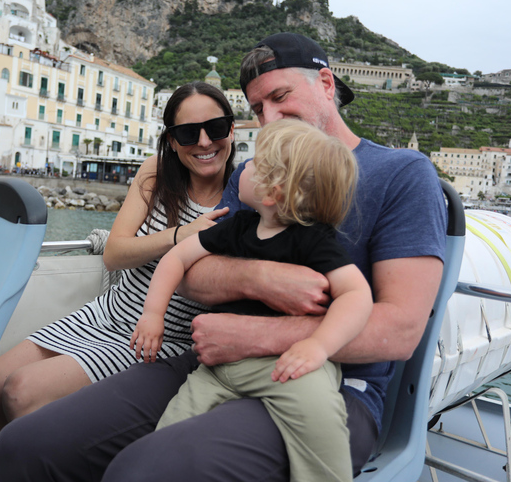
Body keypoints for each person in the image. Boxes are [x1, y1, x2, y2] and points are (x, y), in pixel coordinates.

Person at [0, 32, 447, 482]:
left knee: (144, 472)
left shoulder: (402, 173)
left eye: (280, 96)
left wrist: (256, 334)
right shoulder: (257, 174)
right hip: (213, 361)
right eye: (256, 108)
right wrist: (262, 279)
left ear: (326, 84)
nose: (269, 117)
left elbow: (401, 330)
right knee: (27, 447)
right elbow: (194, 272)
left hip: (330, 385)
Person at [0, 81, 237, 482]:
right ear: (171, 140)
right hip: (108, 313)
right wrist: (179, 235)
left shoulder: (241, 198)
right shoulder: (156, 174)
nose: (204, 142)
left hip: (161, 337)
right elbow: (115, 251)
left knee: (21, 391)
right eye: (188, 133)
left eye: (216, 128)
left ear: (232, 129)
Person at [131, 119, 373, 481]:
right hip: (216, 367)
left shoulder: (313, 241)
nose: (243, 167)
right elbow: (176, 258)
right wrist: (153, 314)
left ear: (273, 191)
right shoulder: (237, 226)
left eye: (254, 163)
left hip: (287, 367)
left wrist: (319, 347)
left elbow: (356, 295)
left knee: (322, 429)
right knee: (165, 441)